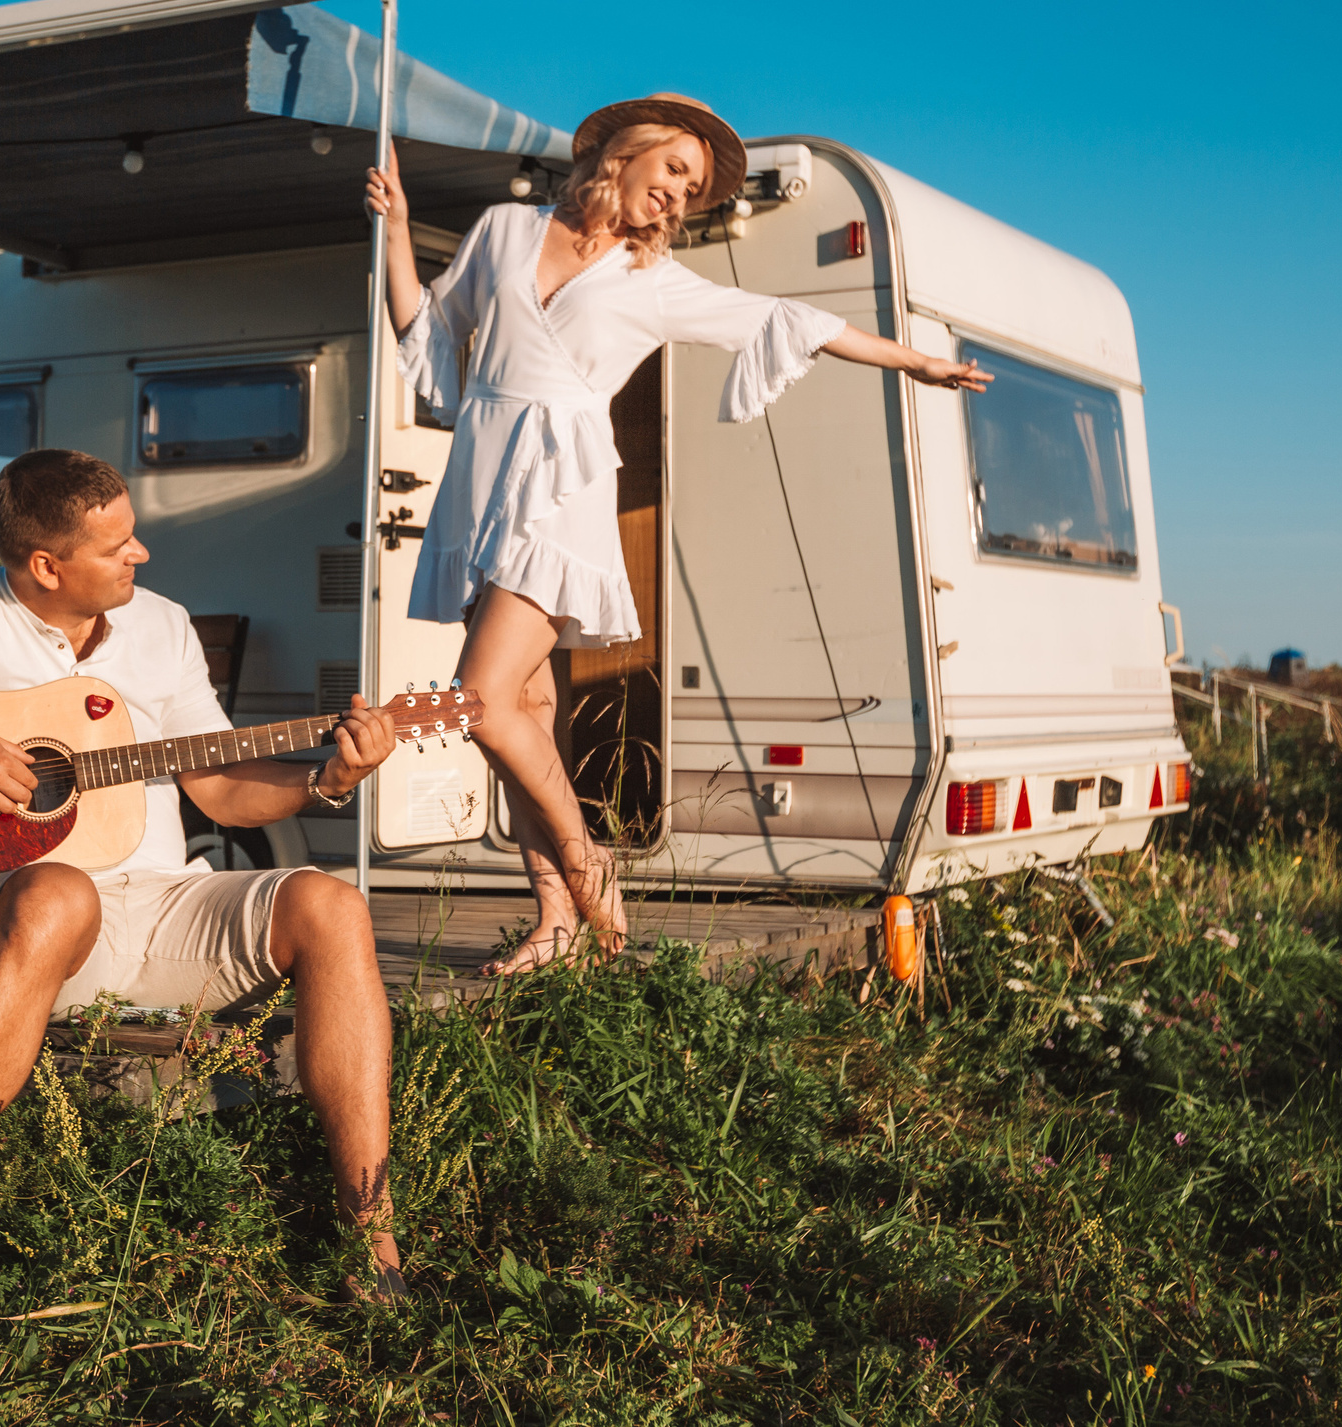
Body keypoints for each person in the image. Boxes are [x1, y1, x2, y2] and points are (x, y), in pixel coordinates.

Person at [0, 448, 404, 1294]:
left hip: (169, 906)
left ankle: (371, 1241)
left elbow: (221, 789)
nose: (142, 555)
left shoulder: (163, 625)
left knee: (332, 903)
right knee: (59, 887)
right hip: (41, 928)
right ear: (46, 565)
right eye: (117, 545)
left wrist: (324, 781)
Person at [366, 95, 990, 975]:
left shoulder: (650, 282)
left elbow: (784, 320)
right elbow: (428, 329)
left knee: (483, 702)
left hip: (562, 494)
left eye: (693, 190)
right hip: (486, 484)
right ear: (626, 154)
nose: (679, 197)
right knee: (526, 715)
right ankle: (555, 923)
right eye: (673, 173)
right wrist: (394, 228)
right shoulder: (506, 229)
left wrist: (916, 361)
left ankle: (592, 877)